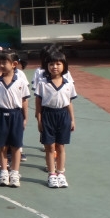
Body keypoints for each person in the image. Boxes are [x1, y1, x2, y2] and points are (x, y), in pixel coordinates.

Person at [0, 48, 31, 188]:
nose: (0, 65)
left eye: (4, 62)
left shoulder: (21, 82)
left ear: (14, 64)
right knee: (1, 146)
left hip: (15, 115)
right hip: (0, 115)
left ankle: (15, 172)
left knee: (16, 146)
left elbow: (24, 101)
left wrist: (25, 118)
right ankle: (4, 172)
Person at [35, 49, 77, 188]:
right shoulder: (42, 83)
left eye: (58, 64)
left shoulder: (68, 84)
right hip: (48, 115)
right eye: (51, 64)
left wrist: (72, 119)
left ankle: (61, 173)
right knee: (49, 147)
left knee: (60, 146)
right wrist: (39, 120)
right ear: (47, 66)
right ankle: (51, 174)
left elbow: (69, 102)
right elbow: (38, 104)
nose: (54, 67)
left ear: (64, 66)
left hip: (63, 115)